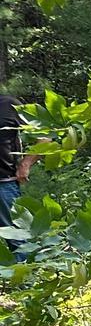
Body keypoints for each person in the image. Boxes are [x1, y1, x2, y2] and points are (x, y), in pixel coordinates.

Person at [0, 91, 26, 231]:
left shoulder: (10, 105)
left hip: (4, 185)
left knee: (18, 240)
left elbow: (44, 135)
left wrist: (26, 163)